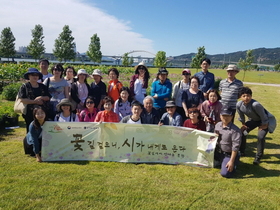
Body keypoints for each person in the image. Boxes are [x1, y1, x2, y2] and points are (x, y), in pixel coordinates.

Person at [236, 87, 269, 165]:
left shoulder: (256, 105)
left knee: (260, 137)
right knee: (242, 132)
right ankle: (242, 151)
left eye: (248, 96)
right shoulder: (239, 105)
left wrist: (264, 125)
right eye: (244, 96)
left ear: (251, 96)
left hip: (264, 121)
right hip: (253, 121)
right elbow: (241, 116)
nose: (246, 98)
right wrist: (243, 125)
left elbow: (264, 116)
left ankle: (258, 157)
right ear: (240, 97)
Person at [18, 68, 51, 132]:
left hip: (43, 113)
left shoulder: (42, 86)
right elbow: (22, 99)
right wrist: (35, 102)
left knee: (43, 129)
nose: (35, 77)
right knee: (30, 129)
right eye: (33, 75)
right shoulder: (24, 86)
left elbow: (48, 97)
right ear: (29, 76)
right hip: (29, 113)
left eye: (36, 75)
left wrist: (41, 97)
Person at [214, 106, 242, 178]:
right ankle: (220, 161)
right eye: (223, 115)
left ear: (232, 116)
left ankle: (234, 162)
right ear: (220, 116)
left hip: (228, 154)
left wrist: (231, 162)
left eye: (228, 116)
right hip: (218, 152)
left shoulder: (235, 130)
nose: (225, 118)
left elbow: (235, 147)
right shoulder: (217, 125)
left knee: (225, 174)